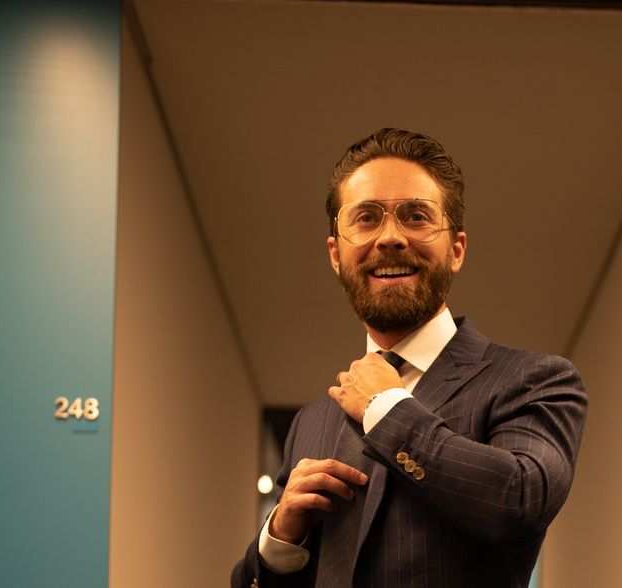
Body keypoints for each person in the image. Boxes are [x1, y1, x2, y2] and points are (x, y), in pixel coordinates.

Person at [231, 128, 587, 587]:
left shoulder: (536, 380)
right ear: (336, 255)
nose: (390, 238)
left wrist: (386, 409)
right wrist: (280, 538)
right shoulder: (311, 423)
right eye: (366, 218)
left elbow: (520, 501)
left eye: (416, 216)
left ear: (456, 250)